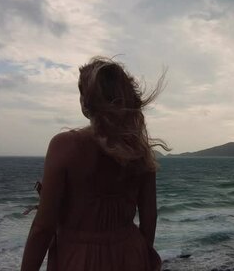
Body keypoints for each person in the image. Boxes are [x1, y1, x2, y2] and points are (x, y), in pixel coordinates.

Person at [21, 56, 168, 271]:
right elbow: (149, 217)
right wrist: (140, 253)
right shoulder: (139, 151)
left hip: (79, 259)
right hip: (131, 253)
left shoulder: (64, 146)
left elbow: (43, 228)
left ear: (86, 101)